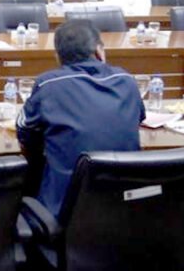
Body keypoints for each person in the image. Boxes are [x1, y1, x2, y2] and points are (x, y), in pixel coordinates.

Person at [16, 19, 145, 218]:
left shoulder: (49, 83)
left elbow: (24, 131)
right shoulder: (126, 80)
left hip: (65, 211)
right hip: (124, 208)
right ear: (99, 51)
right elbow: (138, 118)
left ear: (58, 57)